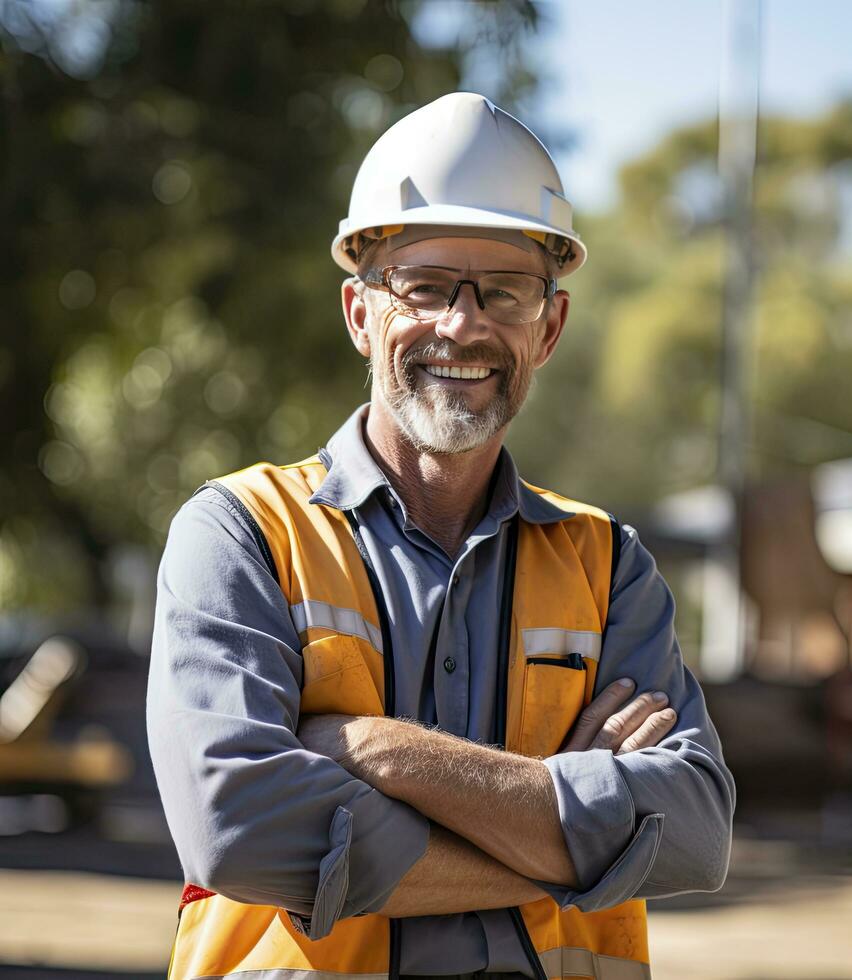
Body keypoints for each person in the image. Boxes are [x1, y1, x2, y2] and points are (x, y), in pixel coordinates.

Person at [148, 92, 735, 980]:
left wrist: (378, 750)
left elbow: (693, 830)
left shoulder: (608, 564)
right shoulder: (242, 534)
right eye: (423, 288)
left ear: (550, 327)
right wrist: (563, 829)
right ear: (359, 314)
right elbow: (236, 828)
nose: (463, 325)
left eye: (505, 291)